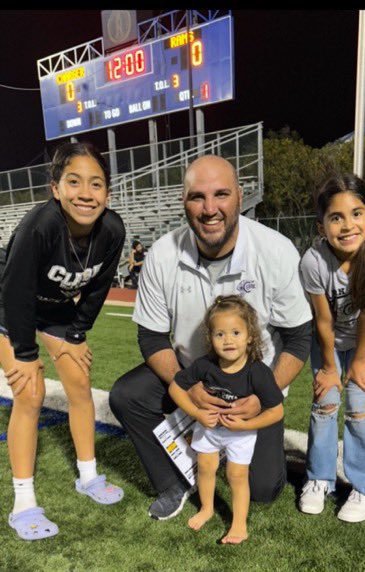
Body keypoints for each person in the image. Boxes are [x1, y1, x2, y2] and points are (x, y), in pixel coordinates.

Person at [109, 154, 313, 521]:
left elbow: (299, 339)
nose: (209, 208)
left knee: (264, 490)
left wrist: (261, 394)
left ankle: (220, 449)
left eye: (221, 194)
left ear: (239, 196)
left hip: (252, 381)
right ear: (183, 201)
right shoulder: (162, 255)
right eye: (197, 197)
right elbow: (152, 338)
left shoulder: (275, 250)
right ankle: (174, 480)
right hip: (193, 371)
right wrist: (186, 388)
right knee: (127, 396)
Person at [0, 141, 126, 540]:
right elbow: (16, 291)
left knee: (79, 383)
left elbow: (99, 287)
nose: (86, 194)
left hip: (54, 310)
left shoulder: (112, 230)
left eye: (96, 184)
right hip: (7, 307)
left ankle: (88, 477)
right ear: (56, 188)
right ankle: (23, 503)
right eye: (74, 182)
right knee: (30, 393)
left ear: (108, 191)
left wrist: (75, 333)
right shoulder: (41, 226)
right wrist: (23, 353)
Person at [298, 172, 365, 522]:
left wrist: (358, 362)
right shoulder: (313, 262)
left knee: (358, 399)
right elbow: (323, 321)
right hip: (327, 336)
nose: (347, 224)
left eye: (357, 213)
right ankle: (319, 479)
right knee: (325, 401)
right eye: (335, 217)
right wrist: (328, 366)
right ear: (321, 225)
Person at [169, 295, 284, 544]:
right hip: (208, 429)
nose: (228, 340)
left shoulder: (258, 372)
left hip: (241, 434)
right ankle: (207, 509)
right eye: (220, 334)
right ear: (210, 338)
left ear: (250, 335)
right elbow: (175, 389)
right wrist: (197, 413)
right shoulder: (204, 366)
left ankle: (239, 525)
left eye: (235, 332)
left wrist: (246, 425)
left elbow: (276, 411)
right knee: (207, 468)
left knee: (236, 476)